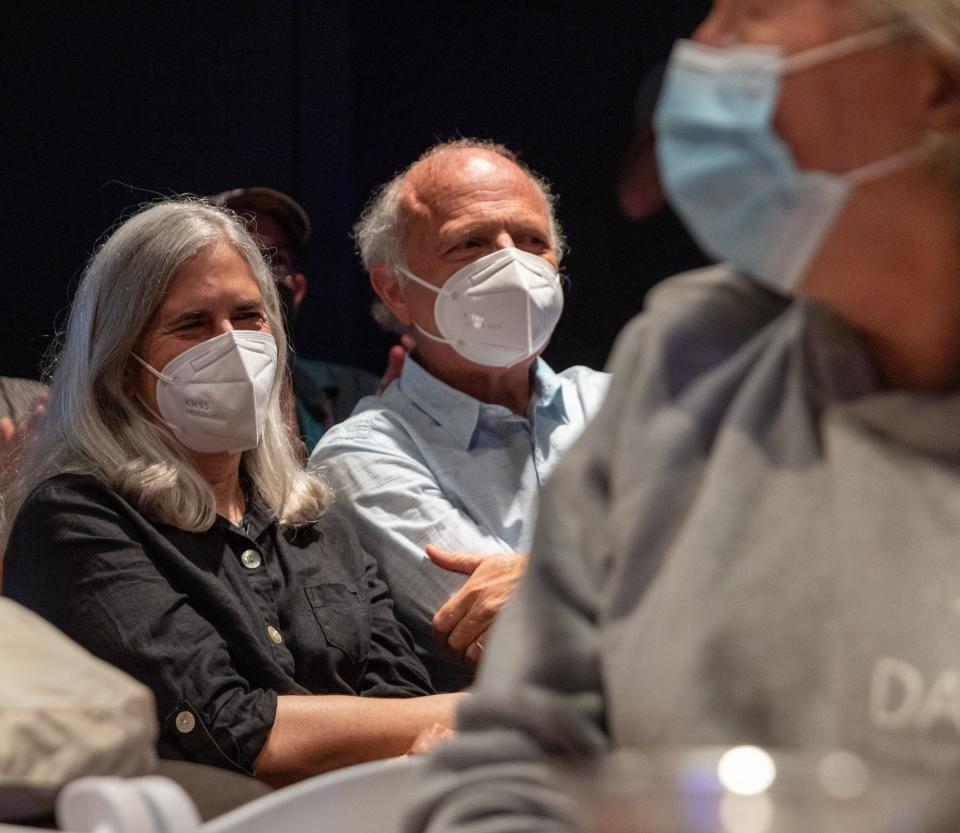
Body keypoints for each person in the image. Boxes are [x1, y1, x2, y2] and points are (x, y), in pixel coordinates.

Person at [405, 0, 960, 829]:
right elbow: (512, 763)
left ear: (939, 83)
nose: (697, 52)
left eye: (753, 12)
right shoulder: (687, 361)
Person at [0, 199, 461, 787]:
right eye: (192, 323)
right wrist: (469, 713)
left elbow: (402, 694)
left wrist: (422, 737)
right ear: (122, 366)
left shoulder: (313, 513)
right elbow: (232, 729)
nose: (232, 344)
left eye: (248, 315)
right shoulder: (77, 516)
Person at [309, 140, 610, 691]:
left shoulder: (620, 399)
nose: (512, 265)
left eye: (532, 241)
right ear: (394, 290)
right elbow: (536, 641)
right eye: (471, 244)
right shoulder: (364, 453)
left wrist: (545, 575)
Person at [213, 186, 379, 452]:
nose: (260, 275)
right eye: (242, 255)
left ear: (298, 288)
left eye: (274, 260)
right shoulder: (186, 399)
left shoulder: (357, 394)